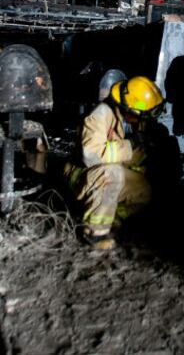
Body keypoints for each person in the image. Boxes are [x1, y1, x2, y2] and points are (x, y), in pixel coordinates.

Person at [65, 76, 165, 250]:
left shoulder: (126, 118)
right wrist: (130, 144)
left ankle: (112, 219)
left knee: (144, 189)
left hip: (102, 173)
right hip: (80, 173)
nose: (144, 121)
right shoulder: (100, 114)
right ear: (129, 110)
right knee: (113, 173)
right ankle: (94, 232)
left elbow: (128, 157)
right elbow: (91, 156)